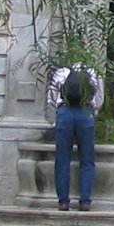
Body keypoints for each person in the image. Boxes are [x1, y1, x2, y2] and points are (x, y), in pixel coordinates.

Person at [47, 60, 105, 211]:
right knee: (87, 161)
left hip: (65, 113)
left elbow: (52, 99)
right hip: (85, 114)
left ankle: (63, 202)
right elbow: (99, 101)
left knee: (62, 160)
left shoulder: (60, 72)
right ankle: (85, 201)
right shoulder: (93, 72)